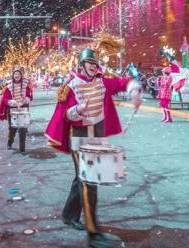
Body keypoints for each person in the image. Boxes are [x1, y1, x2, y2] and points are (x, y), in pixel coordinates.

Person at [45, 47, 142, 248]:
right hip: (79, 137)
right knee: (89, 182)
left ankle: (69, 215)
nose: (93, 67)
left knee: (81, 178)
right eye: (90, 63)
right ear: (82, 65)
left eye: (95, 64)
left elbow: (124, 82)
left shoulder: (102, 82)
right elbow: (64, 115)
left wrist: (134, 92)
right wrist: (76, 110)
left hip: (97, 136)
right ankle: (94, 234)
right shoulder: (71, 86)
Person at [0, 67, 33, 154]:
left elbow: (30, 96)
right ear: (13, 75)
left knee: (23, 129)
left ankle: (22, 148)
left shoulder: (26, 85)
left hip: (23, 109)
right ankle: (10, 141)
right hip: (12, 110)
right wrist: (10, 102)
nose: (17, 75)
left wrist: (27, 99)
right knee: (12, 128)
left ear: (21, 75)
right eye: (15, 74)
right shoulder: (8, 86)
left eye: (18, 74)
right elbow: (4, 99)